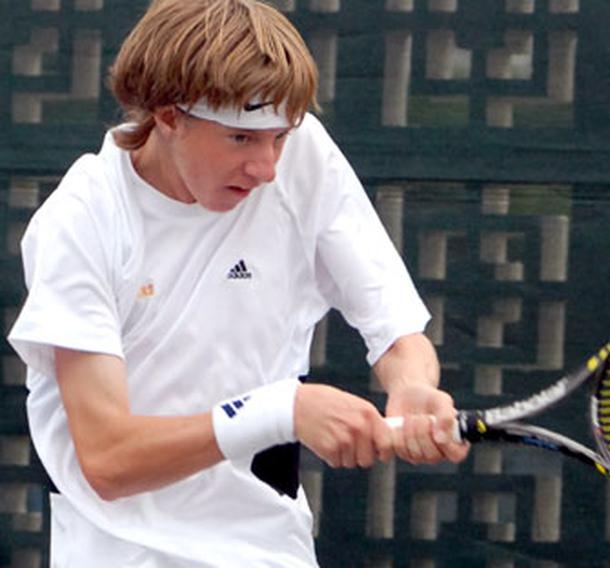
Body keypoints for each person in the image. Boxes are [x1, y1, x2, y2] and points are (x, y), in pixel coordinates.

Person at [7, 0, 468, 565]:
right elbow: (107, 457)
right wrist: (282, 410)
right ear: (168, 114)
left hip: (271, 550)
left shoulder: (303, 158)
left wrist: (412, 385)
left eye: (279, 137)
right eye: (241, 140)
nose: (268, 167)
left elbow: (395, 330)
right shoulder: (82, 220)